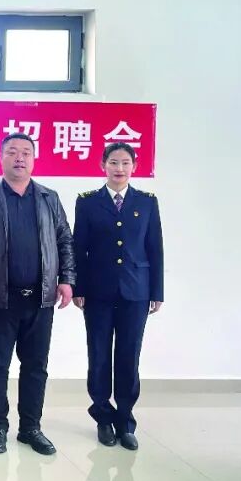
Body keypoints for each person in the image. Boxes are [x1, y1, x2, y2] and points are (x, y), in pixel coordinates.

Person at [0, 133, 76, 456]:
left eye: (26, 152)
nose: (19, 158)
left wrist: (67, 279)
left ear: (34, 159)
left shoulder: (49, 198)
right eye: (12, 152)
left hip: (40, 298)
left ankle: (30, 427)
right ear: (1, 158)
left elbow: (65, 240)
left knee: (36, 365)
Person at [73, 142, 164, 451]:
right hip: (97, 293)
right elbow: (79, 248)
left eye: (125, 162)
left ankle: (125, 421)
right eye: (113, 162)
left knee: (128, 357)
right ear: (103, 165)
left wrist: (157, 291)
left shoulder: (147, 202)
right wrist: (78, 287)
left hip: (136, 292)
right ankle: (102, 418)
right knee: (99, 356)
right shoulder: (87, 202)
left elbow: (155, 248)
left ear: (134, 166)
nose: (119, 168)